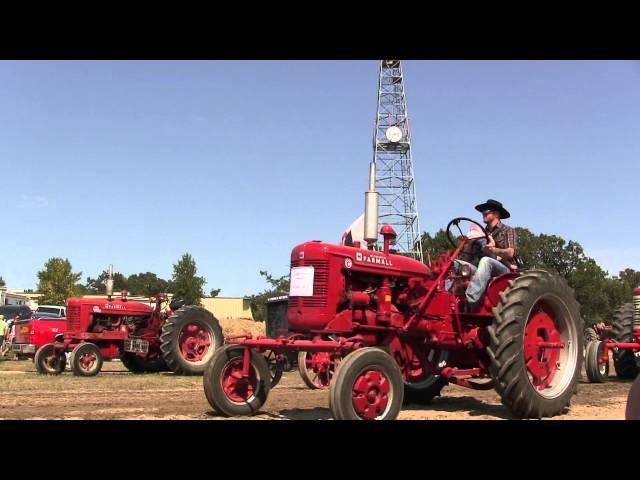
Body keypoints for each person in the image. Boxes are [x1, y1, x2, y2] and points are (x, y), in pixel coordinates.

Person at [455, 199, 518, 305]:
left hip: (504, 270)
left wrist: (493, 250)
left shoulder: (508, 230)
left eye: (486, 210)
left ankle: (469, 299)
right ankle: (447, 298)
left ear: (496, 213)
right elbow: (468, 261)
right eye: (482, 211)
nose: (483, 213)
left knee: (486, 261)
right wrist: (469, 244)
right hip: (482, 270)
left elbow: (510, 253)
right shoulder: (480, 234)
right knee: (455, 263)